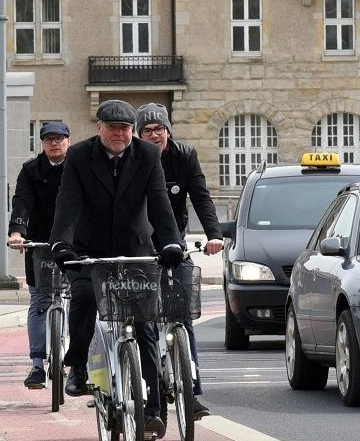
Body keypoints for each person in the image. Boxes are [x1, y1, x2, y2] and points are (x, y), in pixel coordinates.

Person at [49, 100, 184, 438]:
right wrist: (60, 245)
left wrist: (171, 243)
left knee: (145, 325)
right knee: (82, 298)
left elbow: (160, 204)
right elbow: (67, 204)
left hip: (135, 246)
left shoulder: (148, 156)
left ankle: (153, 405)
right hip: (88, 249)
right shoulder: (79, 156)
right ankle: (77, 365)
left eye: (125, 128)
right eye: (113, 128)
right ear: (100, 128)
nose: (120, 134)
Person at [137, 103, 223, 419]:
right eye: (147, 130)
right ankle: (143, 385)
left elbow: (200, 196)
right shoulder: (133, 159)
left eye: (159, 129)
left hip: (176, 245)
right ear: (139, 134)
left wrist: (214, 234)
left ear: (168, 131)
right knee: (140, 318)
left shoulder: (184, 156)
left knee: (183, 316)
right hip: (141, 244)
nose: (154, 134)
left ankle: (193, 393)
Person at [7, 121, 72, 389]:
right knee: (39, 300)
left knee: (82, 298)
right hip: (40, 243)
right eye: (48, 139)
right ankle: (36, 365)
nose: (54, 143)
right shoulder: (31, 170)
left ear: (68, 140)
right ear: (41, 143)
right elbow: (21, 201)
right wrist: (17, 233)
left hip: (73, 242)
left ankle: (78, 363)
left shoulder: (78, 167)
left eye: (59, 138)